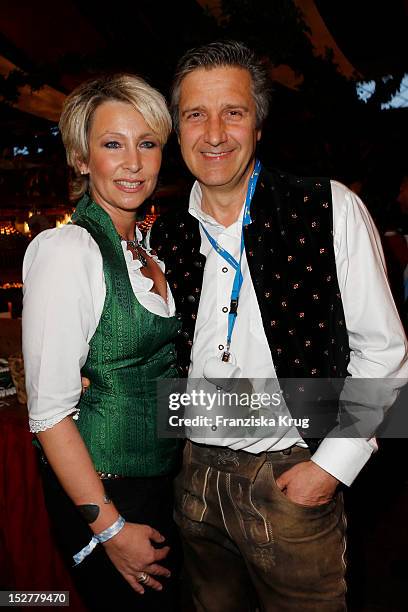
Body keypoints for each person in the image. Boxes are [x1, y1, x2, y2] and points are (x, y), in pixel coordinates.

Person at [150, 41, 408, 611]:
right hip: (192, 483)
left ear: (259, 125)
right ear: (177, 128)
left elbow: (384, 354)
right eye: (196, 114)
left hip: (292, 476)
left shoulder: (328, 207)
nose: (214, 133)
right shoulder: (161, 237)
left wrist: (332, 467)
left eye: (233, 112)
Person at [22, 74, 182, 611]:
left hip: (160, 483)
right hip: (105, 493)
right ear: (82, 159)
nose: (133, 162)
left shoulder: (148, 249)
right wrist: (110, 529)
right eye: (113, 144)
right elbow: (48, 414)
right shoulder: (69, 251)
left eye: (148, 143)